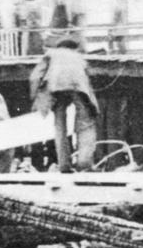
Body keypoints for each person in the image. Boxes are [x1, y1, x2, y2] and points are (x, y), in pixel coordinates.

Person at [30, 34, 100, 172]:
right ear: (73, 47)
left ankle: (64, 165)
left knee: (59, 126)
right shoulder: (79, 58)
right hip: (79, 88)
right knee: (85, 124)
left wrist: (36, 98)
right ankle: (84, 163)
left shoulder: (51, 54)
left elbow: (34, 76)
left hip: (56, 88)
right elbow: (88, 78)